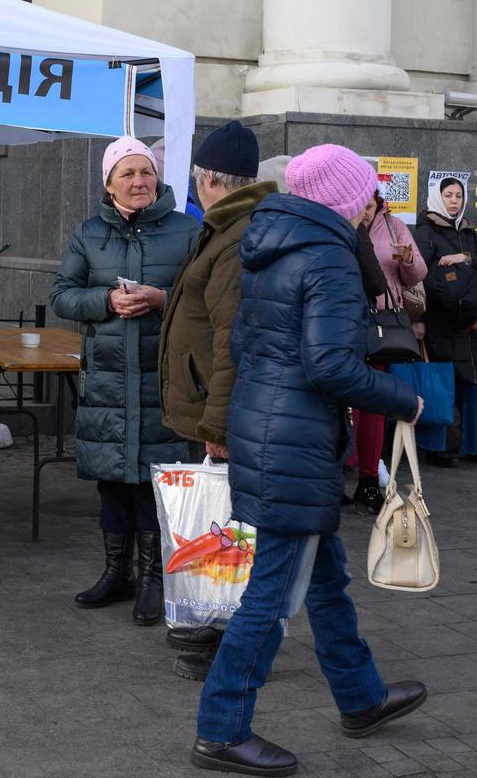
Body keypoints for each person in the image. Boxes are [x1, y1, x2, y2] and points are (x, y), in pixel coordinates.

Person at [191, 145, 425, 775]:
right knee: (270, 596)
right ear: (348, 201)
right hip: (293, 437)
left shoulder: (270, 242)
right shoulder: (328, 255)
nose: (371, 206)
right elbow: (330, 367)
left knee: (323, 580)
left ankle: (362, 698)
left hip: (266, 424)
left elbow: (244, 342)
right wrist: (406, 400)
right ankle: (221, 730)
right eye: (368, 196)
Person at [51, 136, 198, 626]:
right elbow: (63, 296)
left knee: (155, 484)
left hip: (164, 379)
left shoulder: (186, 230)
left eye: (147, 172)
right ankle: (117, 573)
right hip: (110, 381)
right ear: (108, 182)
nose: (140, 182)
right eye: (128, 174)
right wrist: (105, 302)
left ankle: (153, 578)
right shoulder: (89, 233)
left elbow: (203, 297)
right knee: (112, 483)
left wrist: (161, 299)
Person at [157, 121, 272, 675]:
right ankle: (215, 628)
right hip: (214, 406)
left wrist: (219, 428)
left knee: (232, 534)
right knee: (224, 531)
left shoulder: (233, 235)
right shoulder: (225, 228)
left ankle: (229, 637)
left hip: (221, 414)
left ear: (207, 181)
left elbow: (233, 341)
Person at [350, 191, 427, 512]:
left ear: (378, 203)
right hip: (342, 322)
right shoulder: (340, 224)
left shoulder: (394, 227)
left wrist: (407, 259)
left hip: (379, 324)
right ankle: (339, 473)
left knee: (373, 403)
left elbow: (418, 274)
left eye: (369, 206)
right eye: (360, 207)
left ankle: (368, 480)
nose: (365, 213)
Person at [414, 175, 477, 467]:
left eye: (458, 196)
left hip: (471, 320)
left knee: (476, 383)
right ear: (438, 197)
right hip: (440, 319)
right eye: (448, 195)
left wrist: (465, 257)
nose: (454, 201)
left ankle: (476, 445)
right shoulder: (426, 231)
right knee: (441, 382)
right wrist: (419, 319)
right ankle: (435, 447)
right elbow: (417, 275)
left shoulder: (468, 230)